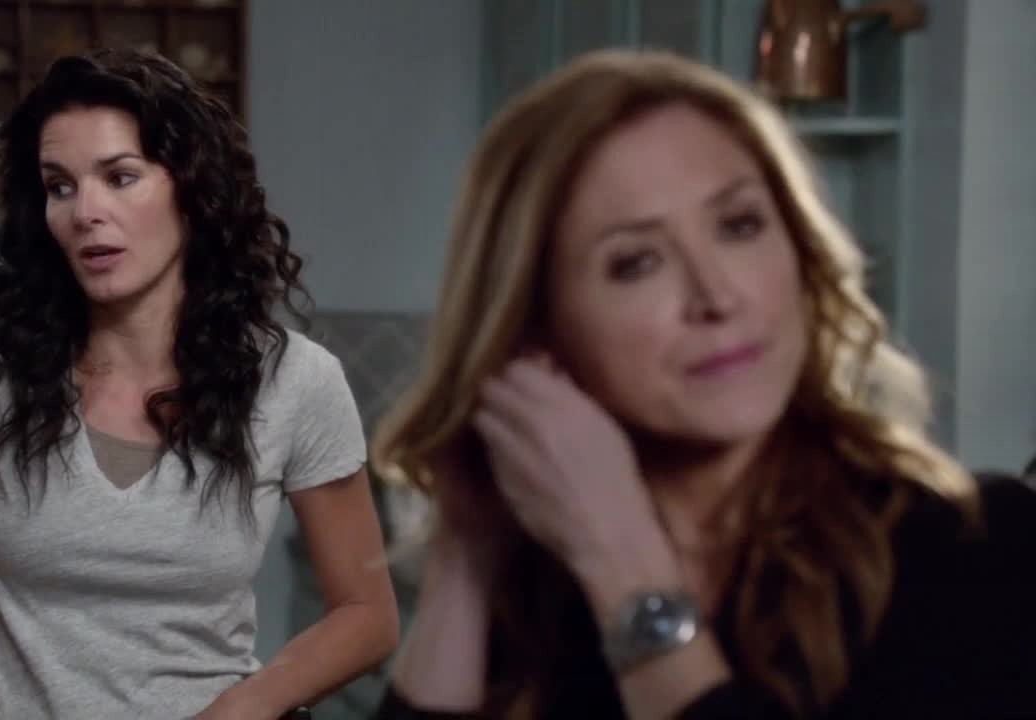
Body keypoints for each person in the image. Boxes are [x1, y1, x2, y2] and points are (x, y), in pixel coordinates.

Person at [368, 49, 1036, 719]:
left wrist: (626, 570)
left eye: (740, 226)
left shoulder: (980, 550)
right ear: (538, 330)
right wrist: (467, 555)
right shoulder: (536, 587)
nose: (717, 296)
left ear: (799, 251)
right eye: (636, 262)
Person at [0, 48, 398, 720]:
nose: (86, 211)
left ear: (191, 191)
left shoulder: (297, 380)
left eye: (120, 177)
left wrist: (242, 708)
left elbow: (367, 614)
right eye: (60, 186)